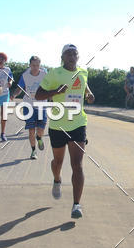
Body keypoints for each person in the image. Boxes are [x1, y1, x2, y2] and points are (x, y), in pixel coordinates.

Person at [35, 44, 94, 218]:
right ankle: (57, 179)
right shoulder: (54, 74)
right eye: (68, 53)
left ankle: (76, 205)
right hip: (58, 125)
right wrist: (55, 91)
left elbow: (86, 89)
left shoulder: (83, 72)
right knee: (58, 162)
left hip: (78, 124)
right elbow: (38, 95)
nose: (71, 56)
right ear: (62, 57)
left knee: (77, 164)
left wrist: (90, 96)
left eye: (74, 53)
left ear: (78, 56)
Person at [12, 55, 49, 160]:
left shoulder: (44, 74)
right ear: (30, 65)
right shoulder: (25, 75)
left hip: (41, 105)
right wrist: (14, 95)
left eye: (37, 65)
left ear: (40, 65)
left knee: (41, 129)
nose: (35, 67)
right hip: (29, 106)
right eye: (33, 65)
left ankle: (39, 138)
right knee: (31, 130)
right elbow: (19, 88)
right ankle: (33, 151)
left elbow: (50, 86)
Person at [0, 52, 13, 142]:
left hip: (5, 94)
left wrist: (10, 83)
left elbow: (11, 78)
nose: (1, 61)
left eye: (2, 59)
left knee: (3, 114)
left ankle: (3, 133)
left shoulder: (8, 69)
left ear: (5, 60)